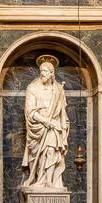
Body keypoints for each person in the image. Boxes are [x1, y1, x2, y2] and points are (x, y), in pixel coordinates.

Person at [20, 55, 69, 192]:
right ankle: (38, 179)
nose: (42, 73)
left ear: (52, 72)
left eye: (45, 71)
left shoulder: (59, 89)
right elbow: (30, 111)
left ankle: (49, 182)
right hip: (37, 128)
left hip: (54, 127)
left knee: (51, 149)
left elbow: (62, 112)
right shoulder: (32, 87)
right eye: (41, 70)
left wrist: (63, 127)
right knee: (39, 154)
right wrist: (45, 121)